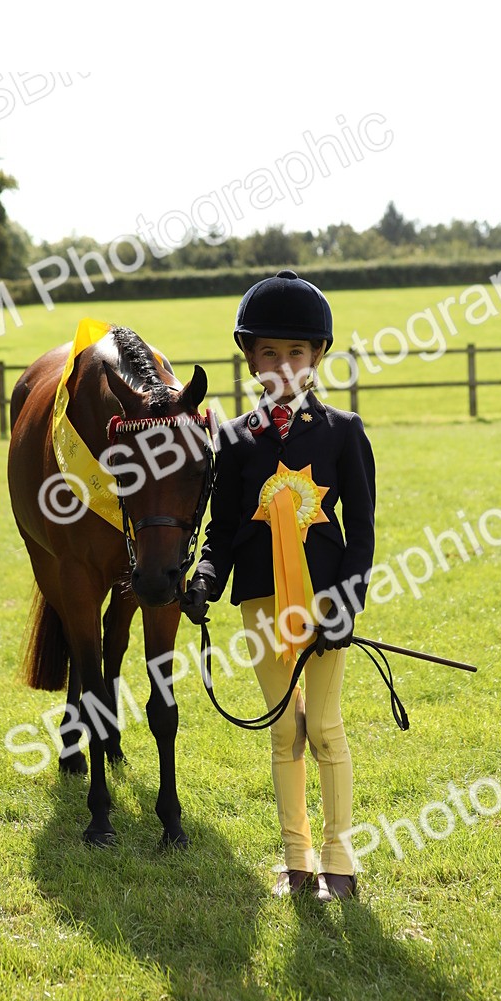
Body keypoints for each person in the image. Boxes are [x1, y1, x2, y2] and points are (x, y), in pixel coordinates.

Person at [181, 270, 376, 902]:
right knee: (284, 729)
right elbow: (223, 529)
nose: (284, 365)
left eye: (297, 352)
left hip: (323, 603)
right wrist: (206, 577)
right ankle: (296, 860)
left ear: (317, 355)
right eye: (270, 352)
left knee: (323, 726)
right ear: (251, 359)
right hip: (262, 604)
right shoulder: (235, 438)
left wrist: (347, 602)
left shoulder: (343, 430)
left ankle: (339, 862)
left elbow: (362, 530)